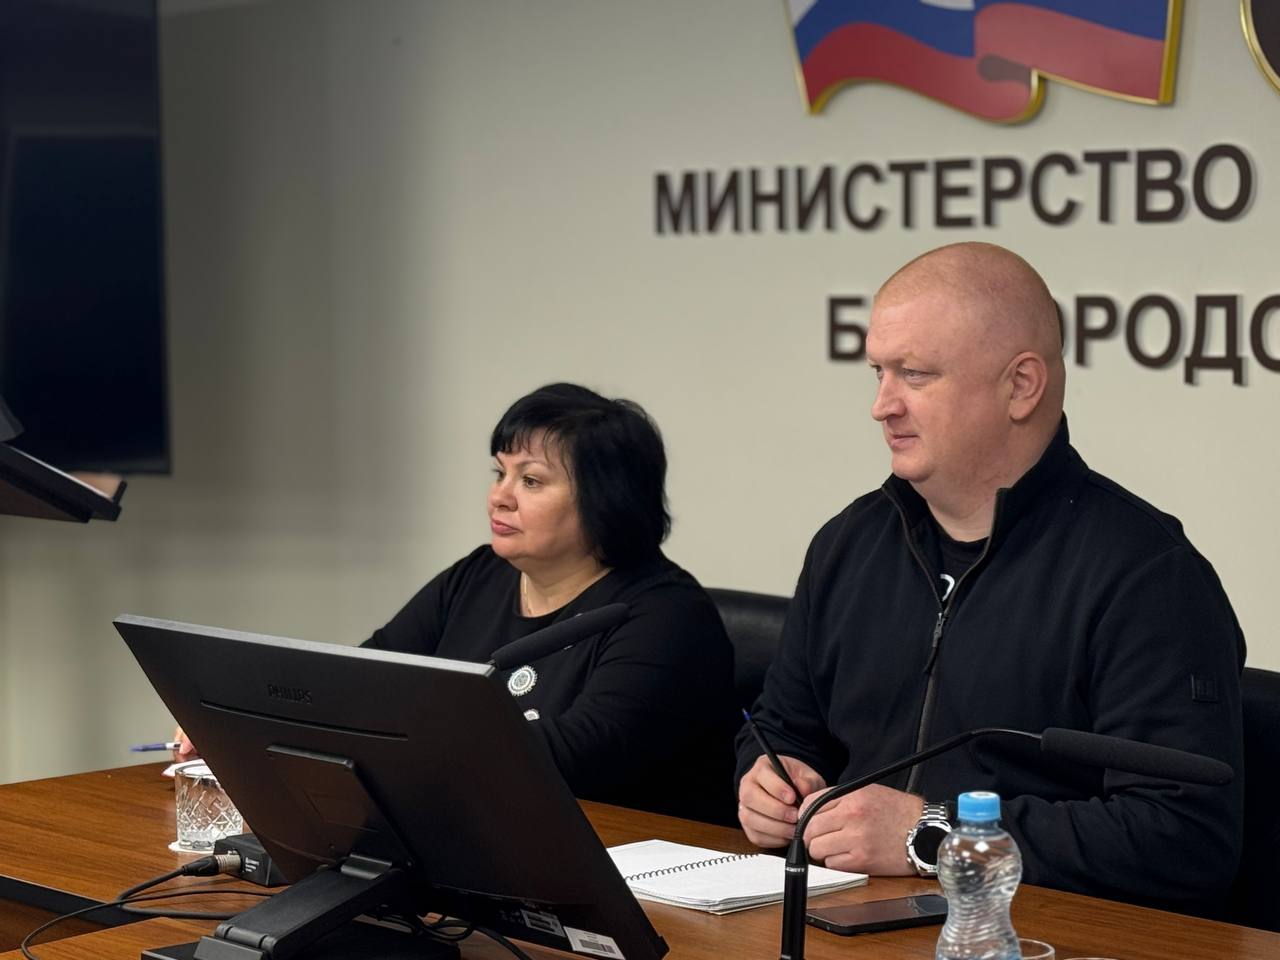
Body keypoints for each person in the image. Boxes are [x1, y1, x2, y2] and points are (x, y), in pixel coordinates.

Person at [735, 243, 1245, 914]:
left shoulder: (1146, 574)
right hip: (841, 918)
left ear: (1020, 386)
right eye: (879, 373)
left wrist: (934, 836)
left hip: (1035, 935)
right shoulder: (849, 543)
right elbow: (779, 726)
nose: (881, 405)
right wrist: (768, 782)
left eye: (915, 375)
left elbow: (1184, 836)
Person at [178, 383, 739, 824]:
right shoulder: (480, 575)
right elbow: (362, 679)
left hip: (632, 878)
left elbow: (573, 762)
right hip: (477, 840)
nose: (499, 496)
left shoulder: (667, 618)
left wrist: (394, 743)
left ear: (608, 500)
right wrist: (241, 726)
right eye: (500, 473)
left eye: (532, 481)